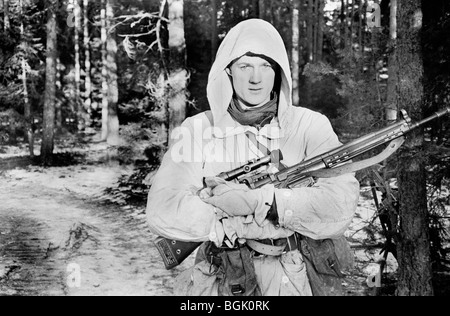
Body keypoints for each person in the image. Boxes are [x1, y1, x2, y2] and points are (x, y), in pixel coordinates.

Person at [146, 19, 360, 296]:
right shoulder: (197, 129)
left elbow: (339, 206)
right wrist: (219, 220)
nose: (256, 78)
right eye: (245, 66)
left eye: (265, 66)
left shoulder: (310, 125)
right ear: (228, 72)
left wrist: (265, 202)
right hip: (224, 276)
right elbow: (162, 208)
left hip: (295, 275)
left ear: (279, 72)